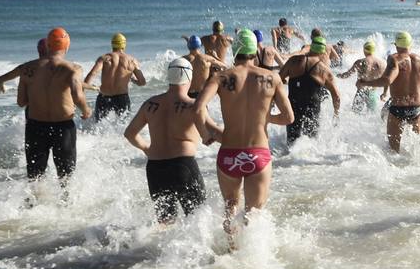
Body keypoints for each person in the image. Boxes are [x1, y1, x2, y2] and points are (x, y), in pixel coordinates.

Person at [192, 29, 294, 246]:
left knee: (230, 211)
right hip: (258, 155)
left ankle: (232, 252)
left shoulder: (221, 77)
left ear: (235, 51)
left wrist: (205, 134)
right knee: (254, 216)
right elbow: (288, 117)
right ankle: (251, 267)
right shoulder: (272, 78)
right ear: (254, 51)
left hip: (229, 155)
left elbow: (198, 108)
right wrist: (265, 118)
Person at [123, 58, 207, 223]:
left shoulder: (150, 104)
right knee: (198, 220)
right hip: (183, 166)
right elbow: (210, 133)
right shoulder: (193, 105)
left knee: (165, 224)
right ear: (189, 78)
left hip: (155, 169)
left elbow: (130, 133)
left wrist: (147, 148)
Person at [21, 27, 91, 188]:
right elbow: (77, 95)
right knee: (66, 173)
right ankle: (65, 204)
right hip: (63, 127)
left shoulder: (28, 69)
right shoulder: (72, 68)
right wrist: (86, 110)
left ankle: (32, 205)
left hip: (35, 126)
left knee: (35, 173)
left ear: (48, 46)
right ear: (66, 46)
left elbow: (21, 101)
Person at [362, 32, 420, 152]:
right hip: (416, 108)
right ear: (410, 44)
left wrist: (365, 83)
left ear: (396, 45)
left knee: (393, 152)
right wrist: (412, 87)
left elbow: (387, 80)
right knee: (418, 151)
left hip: (398, 108)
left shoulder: (394, 59)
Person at [278, 39, 341, 146]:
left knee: (291, 141)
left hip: (293, 105)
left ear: (311, 47)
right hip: (312, 107)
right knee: (311, 141)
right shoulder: (324, 69)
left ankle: (287, 160)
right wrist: (336, 112)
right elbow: (336, 96)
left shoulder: (293, 61)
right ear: (322, 52)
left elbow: (278, 79)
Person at [83, 33, 146, 121]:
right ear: (124, 45)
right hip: (122, 98)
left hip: (104, 97)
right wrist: (133, 80)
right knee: (123, 126)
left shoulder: (105, 58)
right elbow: (142, 82)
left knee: (97, 125)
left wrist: (82, 92)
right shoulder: (132, 60)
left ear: (112, 44)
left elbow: (93, 73)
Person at [338, 41, 387, 113]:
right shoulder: (382, 64)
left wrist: (337, 76)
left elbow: (347, 74)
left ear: (364, 50)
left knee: (355, 114)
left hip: (361, 92)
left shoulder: (359, 62)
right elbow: (387, 80)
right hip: (372, 93)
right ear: (374, 50)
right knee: (372, 115)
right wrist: (384, 93)